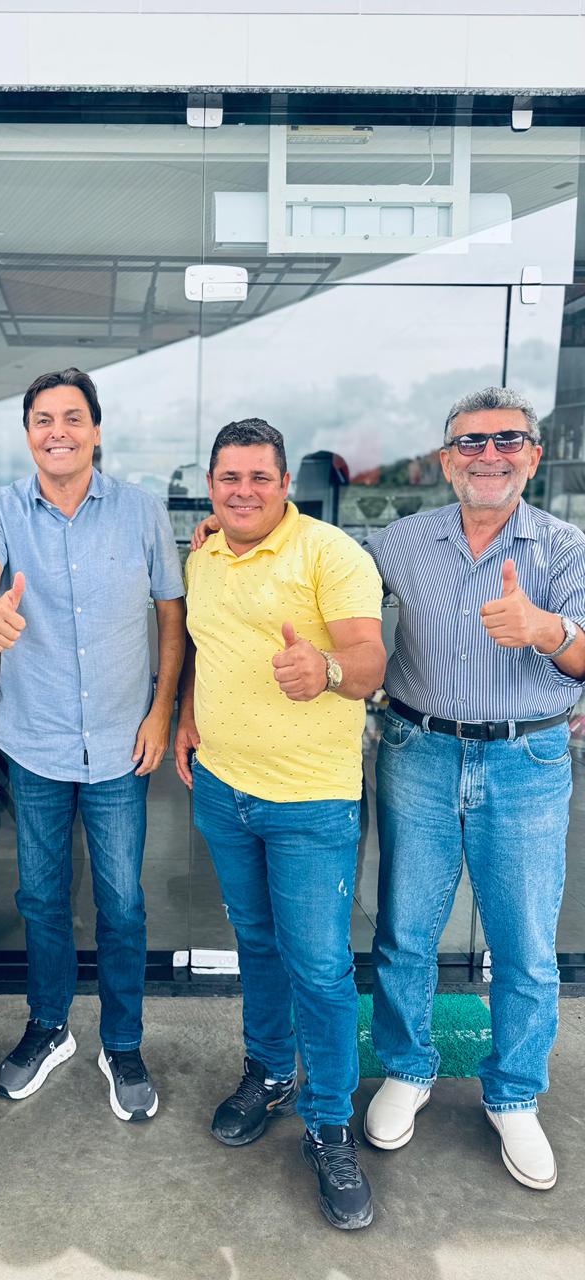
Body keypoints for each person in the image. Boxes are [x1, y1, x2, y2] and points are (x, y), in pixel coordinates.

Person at [363, 387, 585, 1191]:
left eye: (507, 440)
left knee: (524, 943)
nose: (489, 455)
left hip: (527, 762)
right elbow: (321, 576)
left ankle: (515, 1093)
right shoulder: (400, 541)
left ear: (532, 454)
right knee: (405, 930)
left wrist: (546, 630)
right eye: (472, 442)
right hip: (417, 751)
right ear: (446, 458)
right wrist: (230, 532)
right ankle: (407, 1068)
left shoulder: (564, 545)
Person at [0, 368, 185, 1122]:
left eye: (72, 418)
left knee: (122, 902)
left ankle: (122, 1043)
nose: (58, 431)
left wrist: (161, 711)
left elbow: (171, 615)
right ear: (29, 433)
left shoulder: (142, 511)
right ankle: (50, 1026)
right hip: (35, 743)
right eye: (43, 420)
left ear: (95, 430)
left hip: (122, 743)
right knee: (41, 898)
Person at [176, 418, 385, 1231]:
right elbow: (208, 650)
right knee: (257, 947)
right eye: (229, 478)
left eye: (260, 477)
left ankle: (330, 1125)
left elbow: (370, 660)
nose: (244, 491)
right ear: (211, 485)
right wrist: (190, 719)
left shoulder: (331, 554)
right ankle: (268, 1073)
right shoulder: (203, 556)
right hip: (224, 789)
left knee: (320, 969)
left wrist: (325, 668)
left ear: (285, 483)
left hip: (310, 802)